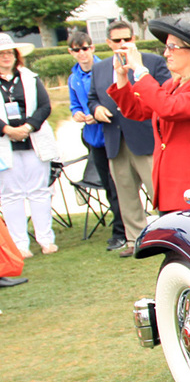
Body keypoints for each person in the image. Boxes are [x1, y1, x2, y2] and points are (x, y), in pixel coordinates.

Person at [109, 19, 190, 233]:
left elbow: (169, 108)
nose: (166, 53)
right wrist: (122, 76)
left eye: (172, 47)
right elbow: (136, 111)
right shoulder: (172, 85)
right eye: (166, 47)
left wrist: (140, 71)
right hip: (172, 188)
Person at [88, 21, 169, 254]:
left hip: (145, 136)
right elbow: (93, 97)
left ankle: (168, 236)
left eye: (127, 39)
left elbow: (162, 94)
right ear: (108, 43)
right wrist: (95, 109)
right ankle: (135, 240)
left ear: (134, 38)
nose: (122, 44)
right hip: (114, 138)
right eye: (117, 40)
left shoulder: (152, 62)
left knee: (158, 192)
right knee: (125, 193)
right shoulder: (100, 68)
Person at [0, 34, 59, 257]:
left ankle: (46, 239)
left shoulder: (30, 78)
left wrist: (28, 127)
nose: (6, 57)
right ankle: (19, 244)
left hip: (33, 141)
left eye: (9, 53)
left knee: (39, 192)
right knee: (11, 195)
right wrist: (7, 129)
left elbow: (44, 106)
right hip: (6, 144)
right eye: (2, 53)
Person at [66, 31, 126, 248]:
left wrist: (98, 112)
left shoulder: (106, 70)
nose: (82, 53)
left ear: (92, 48)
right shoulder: (73, 78)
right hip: (93, 139)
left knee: (120, 184)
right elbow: (75, 105)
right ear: (71, 52)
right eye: (76, 49)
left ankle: (122, 230)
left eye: (85, 48)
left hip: (113, 134)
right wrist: (77, 114)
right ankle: (120, 227)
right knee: (109, 186)